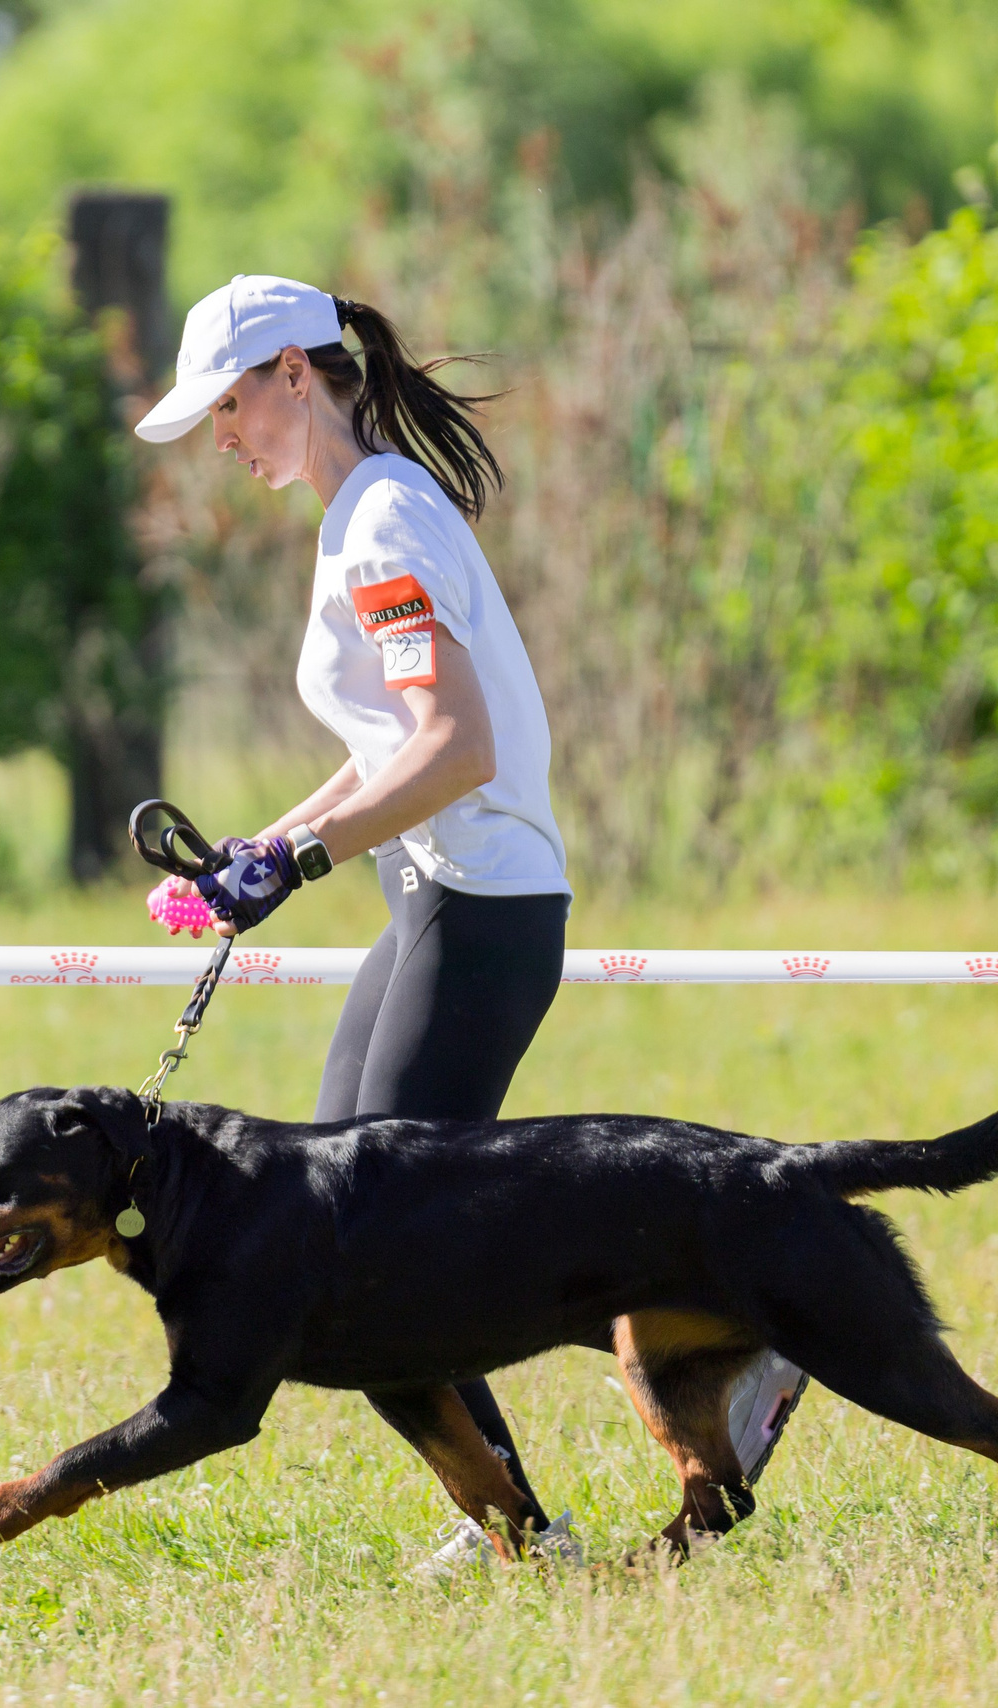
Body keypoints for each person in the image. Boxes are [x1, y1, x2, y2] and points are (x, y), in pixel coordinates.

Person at [132, 274, 806, 1571]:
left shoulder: (380, 519)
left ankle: (590, 1468)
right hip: (444, 897)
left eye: (227, 403)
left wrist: (308, 856)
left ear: (291, 376)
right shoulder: (364, 508)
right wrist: (265, 850)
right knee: (347, 1208)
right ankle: (524, 1512)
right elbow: (392, 742)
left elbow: (452, 746)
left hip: (480, 909)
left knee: (375, 1242)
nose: (220, 435)